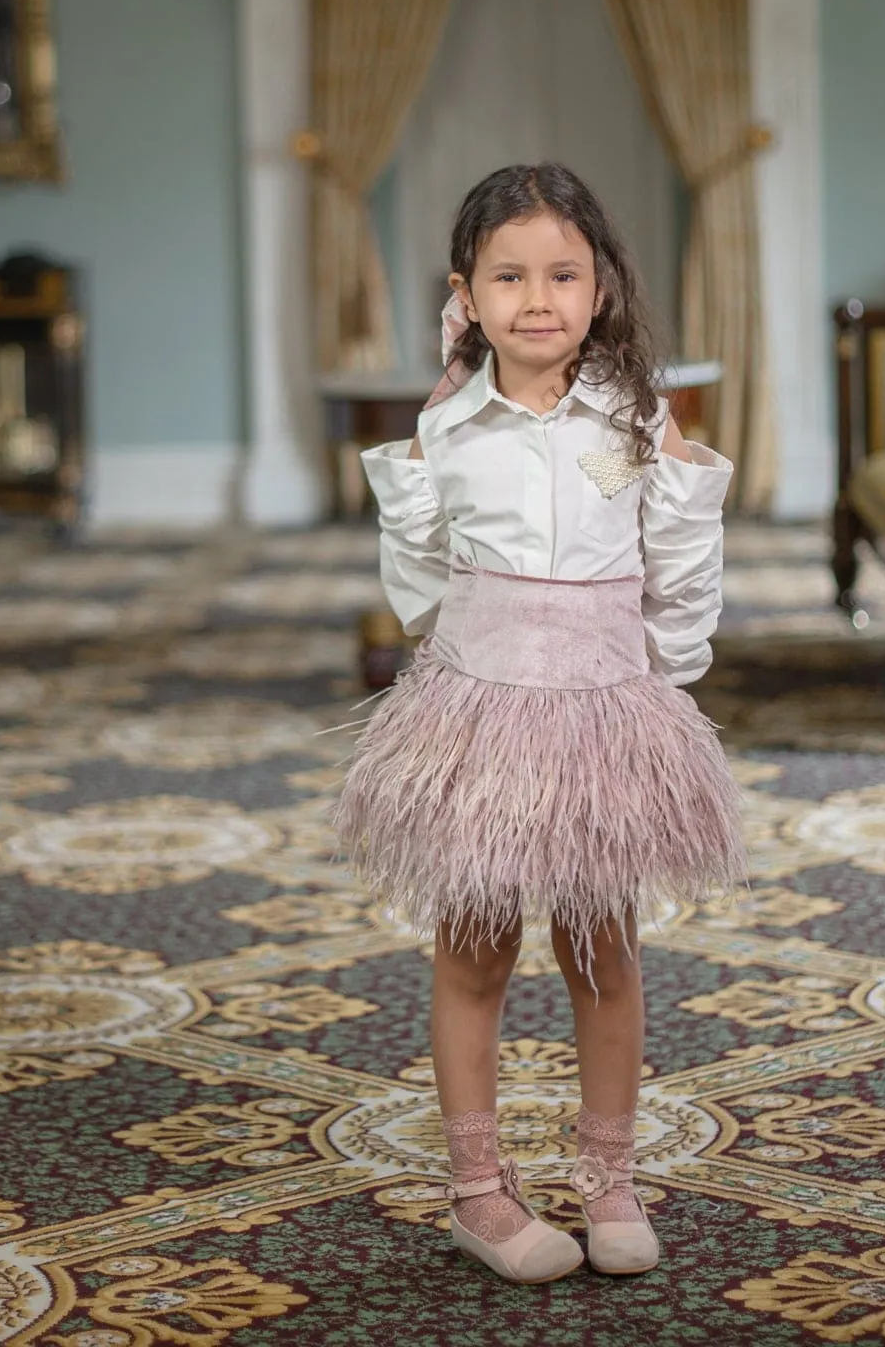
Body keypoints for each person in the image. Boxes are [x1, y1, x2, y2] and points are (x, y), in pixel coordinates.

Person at [331, 162, 746, 1284]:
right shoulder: (447, 430)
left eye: (564, 273)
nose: (539, 298)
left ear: (602, 286)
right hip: (481, 714)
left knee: (603, 949)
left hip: (606, 717)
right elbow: (417, 584)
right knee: (474, 950)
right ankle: (479, 1190)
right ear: (465, 294)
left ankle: (610, 1179)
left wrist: (660, 682)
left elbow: (682, 571)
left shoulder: (639, 420)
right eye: (508, 276)